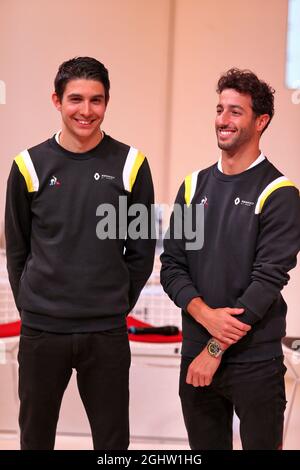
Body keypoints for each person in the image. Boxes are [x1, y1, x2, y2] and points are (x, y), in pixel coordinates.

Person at [5, 56, 155, 450]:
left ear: (107, 102)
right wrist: (33, 306)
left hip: (105, 330)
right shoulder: (28, 166)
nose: (86, 111)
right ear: (56, 100)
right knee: (35, 438)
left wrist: (117, 302)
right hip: (42, 330)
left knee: (112, 442)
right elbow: (17, 247)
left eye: (96, 100)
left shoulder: (131, 165)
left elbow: (140, 249)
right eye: (76, 99)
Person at [160, 68, 300, 450]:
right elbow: (172, 265)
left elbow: (267, 281)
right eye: (220, 109)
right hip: (195, 353)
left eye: (236, 112)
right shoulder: (193, 187)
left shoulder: (279, 192)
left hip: (254, 361)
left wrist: (214, 349)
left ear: (261, 121)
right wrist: (204, 315)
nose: (223, 120)